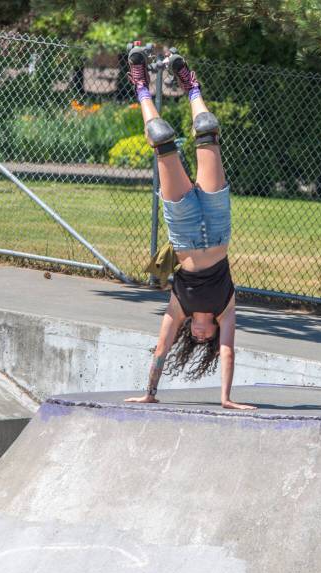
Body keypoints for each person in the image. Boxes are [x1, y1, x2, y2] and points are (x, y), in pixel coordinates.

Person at [123, 43, 255, 411]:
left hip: (182, 229)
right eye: (205, 337)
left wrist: (150, 392)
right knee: (207, 131)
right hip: (216, 225)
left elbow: (161, 349)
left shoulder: (176, 309)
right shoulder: (225, 309)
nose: (199, 334)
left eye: (194, 337)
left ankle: (140, 84)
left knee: (162, 139)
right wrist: (226, 398)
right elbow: (228, 353)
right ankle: (190, 84)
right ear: (212, 333)